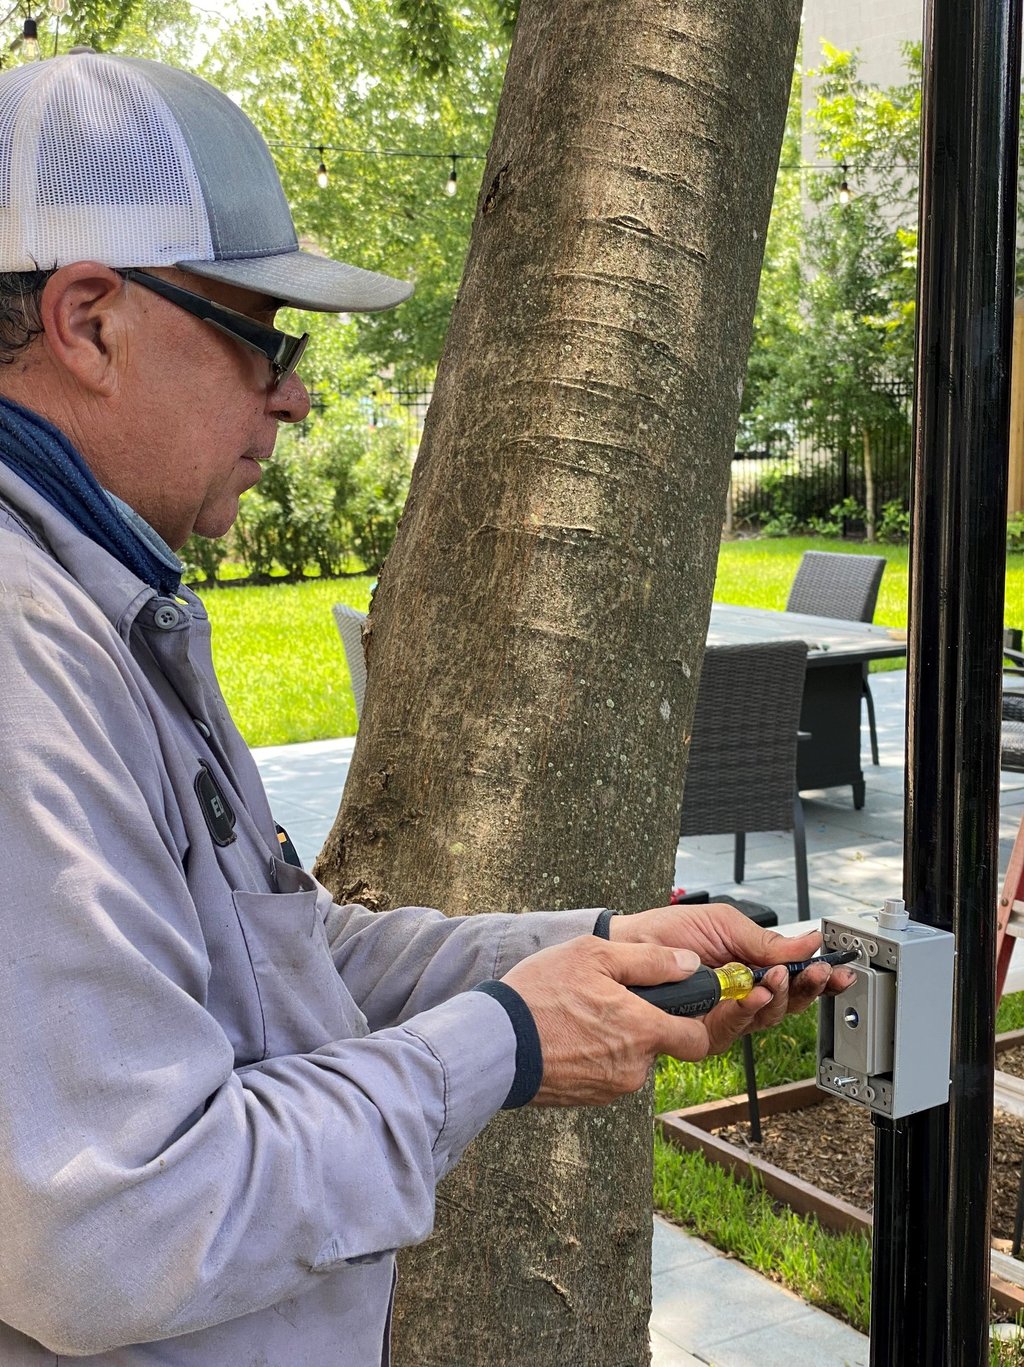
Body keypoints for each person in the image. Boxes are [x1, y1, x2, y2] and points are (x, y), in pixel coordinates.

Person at [0, 51, 853, 1366]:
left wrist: (586, 952)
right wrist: (506, 1044)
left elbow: (278, 961)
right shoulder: (23, 657)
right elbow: (117, 1225)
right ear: (92, 320)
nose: (293, 393)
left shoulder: (102, 607)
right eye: (262, 338)